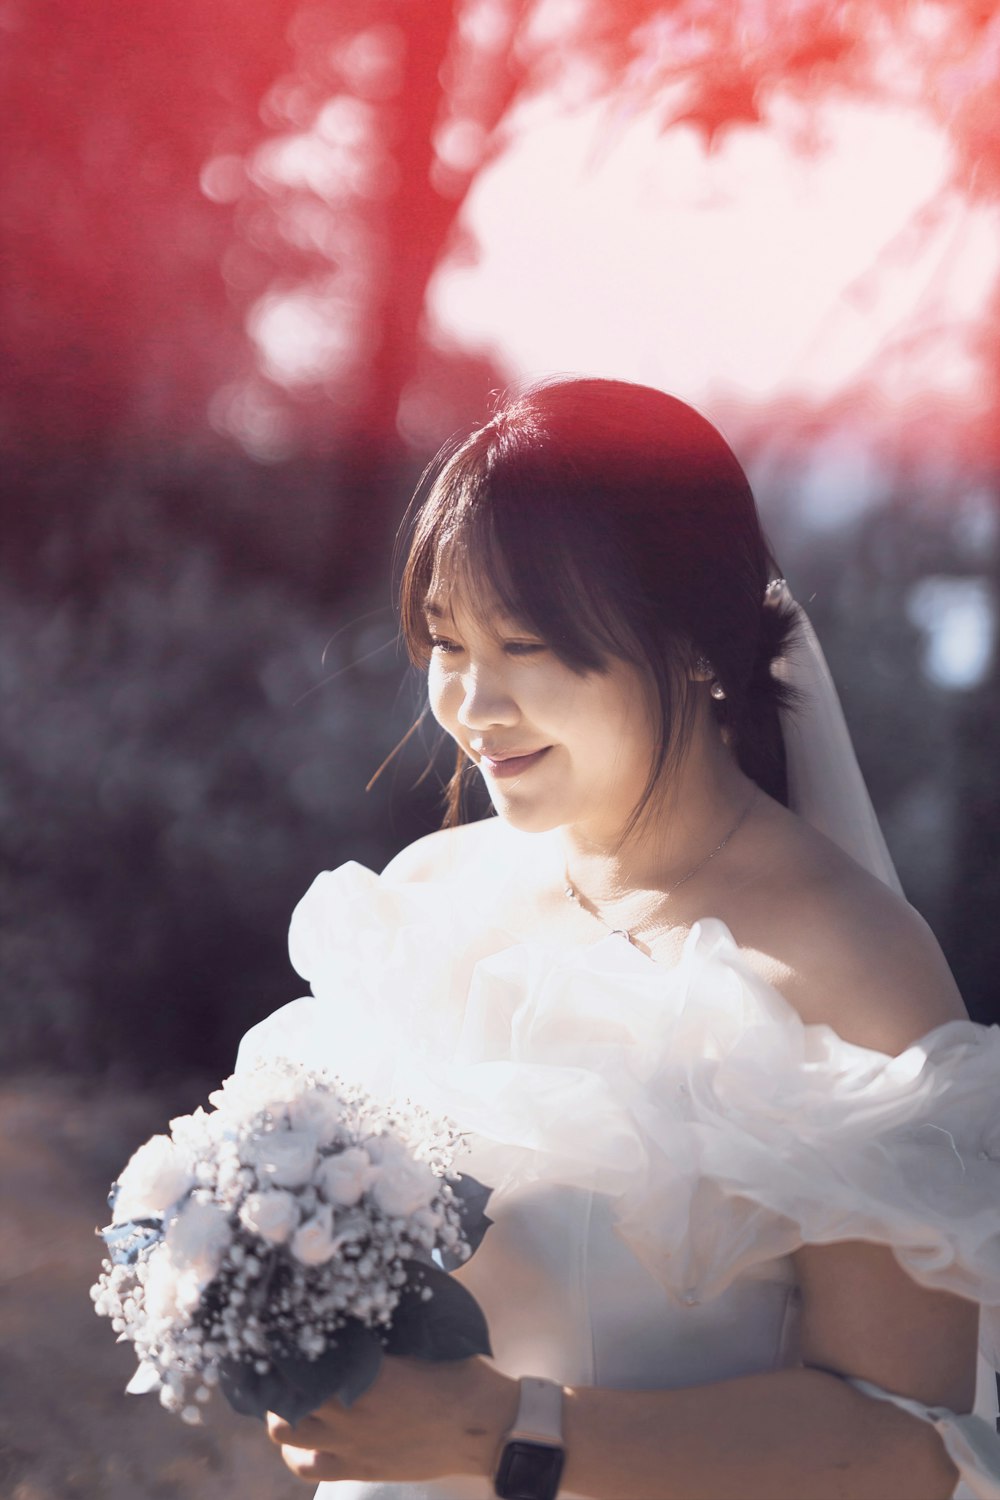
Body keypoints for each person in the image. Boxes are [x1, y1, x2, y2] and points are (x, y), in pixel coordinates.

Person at [237, 377, 1000, 1500]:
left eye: (527, 643)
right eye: (447, 642)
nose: (471, 702)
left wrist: (502, 1436)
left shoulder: (846, 965)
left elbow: (907, 1450)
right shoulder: (428, 900)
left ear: (692, 643)